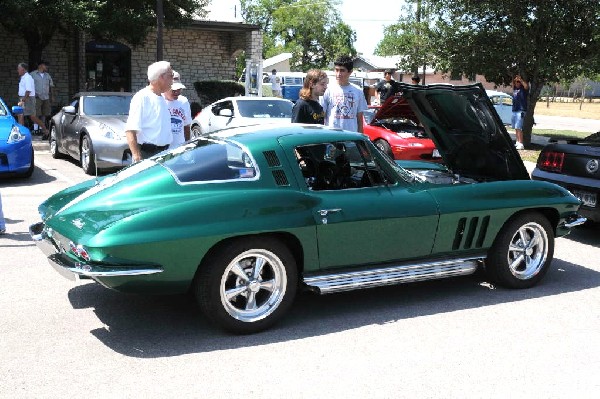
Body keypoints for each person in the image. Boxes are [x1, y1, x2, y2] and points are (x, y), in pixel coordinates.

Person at [125, 61, 173, 162]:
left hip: (165, 154)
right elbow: (130, 131)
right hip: (147, 155)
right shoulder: (142, 97)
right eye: (170, 75)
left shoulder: (162, 98)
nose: (172, 80)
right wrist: (137, 157)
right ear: (161, 77)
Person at [320, 55, 368, 132]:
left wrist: (360, 137)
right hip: (332, 136)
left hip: (351, 136)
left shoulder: (358, 91)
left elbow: (360, 119)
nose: (338, 74)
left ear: (350, 72)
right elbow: (322, 116)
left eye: (342, 70)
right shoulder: (327, 89)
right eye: (336, 70)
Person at [17, 62, 48, 136]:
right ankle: (21, 133)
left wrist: (22, 100)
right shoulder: (23, 77)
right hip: (23, 97)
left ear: (23, 70)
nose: (17, 70)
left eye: (19, 69)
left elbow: (28, 90)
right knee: (20, 115)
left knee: (32, 117)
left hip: (27, 98)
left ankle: (45, 130)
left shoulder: (28, 78)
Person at [163, 70, 192, 149]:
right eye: (174, 90)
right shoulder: (159, 101)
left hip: (179, 149)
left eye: (179, 89)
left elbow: (186, 126)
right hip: (162, 151)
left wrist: (187, 145)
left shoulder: (184, 101)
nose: (177, 92)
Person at [30, 60, 54, 138]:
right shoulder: (33, 74)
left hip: (45, 97)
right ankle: (35, 129)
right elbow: (28, 85)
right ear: (40, 66)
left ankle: (42, 129)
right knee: (36, 113)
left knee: (44, 113)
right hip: (36, 97)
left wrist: (52, 96)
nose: (47, 67)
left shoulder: (47, 75)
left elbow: (51, 86)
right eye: (45, 65)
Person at [512, 74, 529, 150]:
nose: (517, 83)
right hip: (514, 110)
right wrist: (515, 79)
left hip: (520, 110)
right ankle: (517, 142)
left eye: (518, 82)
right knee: (516, 127)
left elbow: (526, 86)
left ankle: (521, 143)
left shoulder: (523, 89)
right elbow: (512, 83)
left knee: (519, 127)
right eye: (516, 82)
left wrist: (521, 80)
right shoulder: (515, 89)